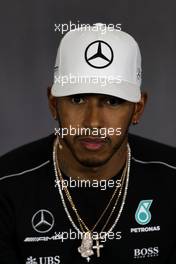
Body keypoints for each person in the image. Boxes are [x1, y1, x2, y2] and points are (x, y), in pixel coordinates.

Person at [0, 24, 175, 264]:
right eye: (78, 99)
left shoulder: (171, 178)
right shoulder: (7, 185)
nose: (93, 122)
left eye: (113, 101)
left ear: (138, 109)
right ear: (53, 103)